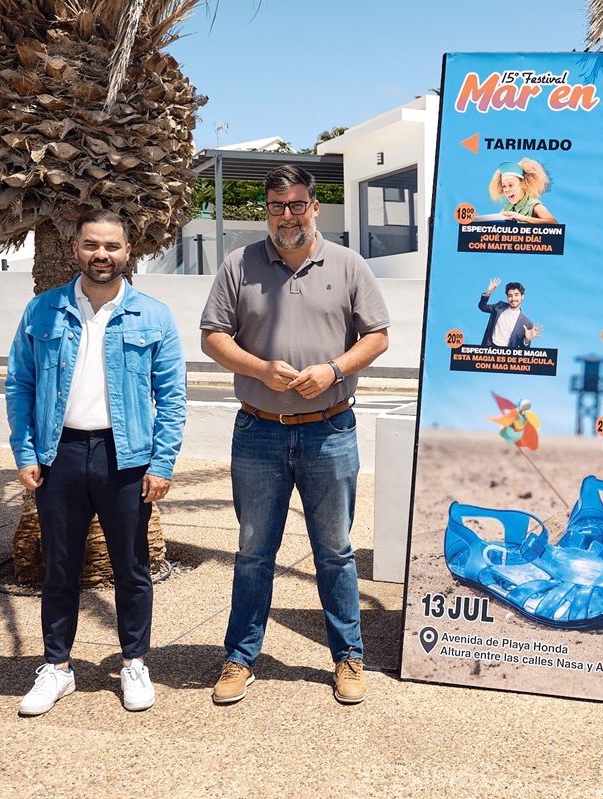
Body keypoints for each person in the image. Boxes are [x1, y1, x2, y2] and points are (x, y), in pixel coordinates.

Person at [200, 164, 390, 706]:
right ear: (267, 210)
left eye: (297, 205)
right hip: (258, 433)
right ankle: (239, 659)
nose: (288, 216)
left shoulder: (349, 265)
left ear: (315, 208)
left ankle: (348, 657)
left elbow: (376, 337)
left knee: (334, 551)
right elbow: (214, 336)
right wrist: (259, 369)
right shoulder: (239, 265)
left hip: (330, 431)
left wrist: (333, 371)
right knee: (254, 552)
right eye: (277, 206)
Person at [6, 208, 186, 716]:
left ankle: (133, 662)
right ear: (76, 248)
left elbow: (172, 397)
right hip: (58, 455)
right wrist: (25, 454)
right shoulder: (42, 311)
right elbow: (20, 384)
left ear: (128, 251)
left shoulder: (153, 315)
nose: (101, 255)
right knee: (60, 568)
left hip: (125, 457)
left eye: (111, 246)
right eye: (91, 245)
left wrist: (162, 463)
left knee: (132, 568)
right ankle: (58, 669)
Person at [478, 278, 541, 348]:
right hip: (489, 350)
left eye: (516, 295)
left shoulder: (527, 323)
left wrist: (527, 340)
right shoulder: (499, 307)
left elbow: (524, 351)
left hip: (507, 355)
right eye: (510, 296)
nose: (513, 299)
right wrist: (488, 292)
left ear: (522, 297)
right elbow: (482, 306)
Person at [488, 158, 557, 224]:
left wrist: (523, 218)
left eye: (511, 185)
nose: (506, 190)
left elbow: (554, 223)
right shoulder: (507, 209)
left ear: (523, 185)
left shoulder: (534, 205)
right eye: (504, 186)